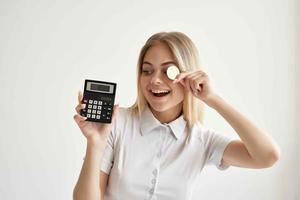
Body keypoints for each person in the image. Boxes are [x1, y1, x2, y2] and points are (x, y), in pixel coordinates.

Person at [72, 31, 280, 200]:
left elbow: (267, 156)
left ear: (187, 76)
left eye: (167, 71)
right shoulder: (117, 124)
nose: (154, 80)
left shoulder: (201, 140)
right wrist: (95, 144)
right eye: (147, 71)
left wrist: (213, 99)